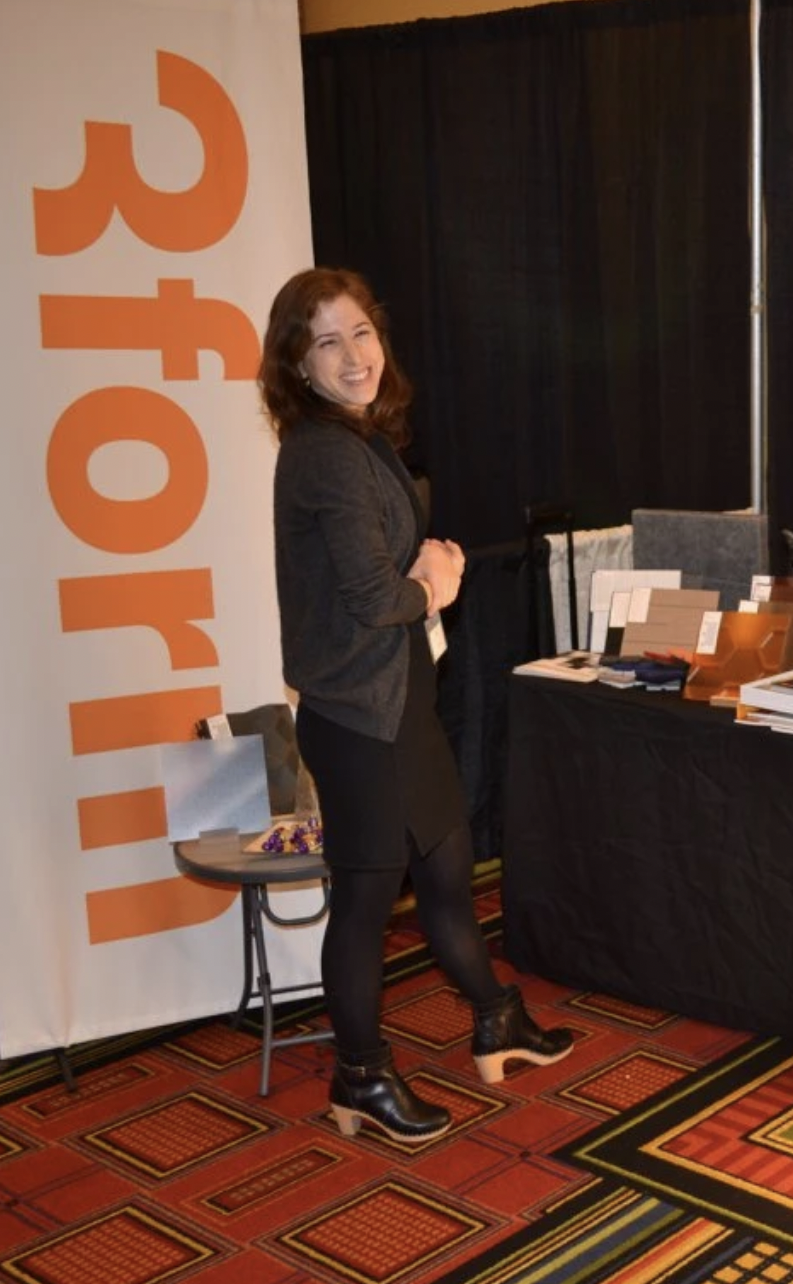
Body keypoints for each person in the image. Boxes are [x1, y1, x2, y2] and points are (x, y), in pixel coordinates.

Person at [261, 267, 572, 1143]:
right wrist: (433, 583)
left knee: (443, 869)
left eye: (361, 332)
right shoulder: (324, 451)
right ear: (299, 363)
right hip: (362, 720)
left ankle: (495, 1019)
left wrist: (425, 577)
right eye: (327, 340)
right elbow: (371, 596)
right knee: (364, 903)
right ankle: (358, 1077)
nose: (353, 355)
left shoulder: (358, 439)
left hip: (397, 708)